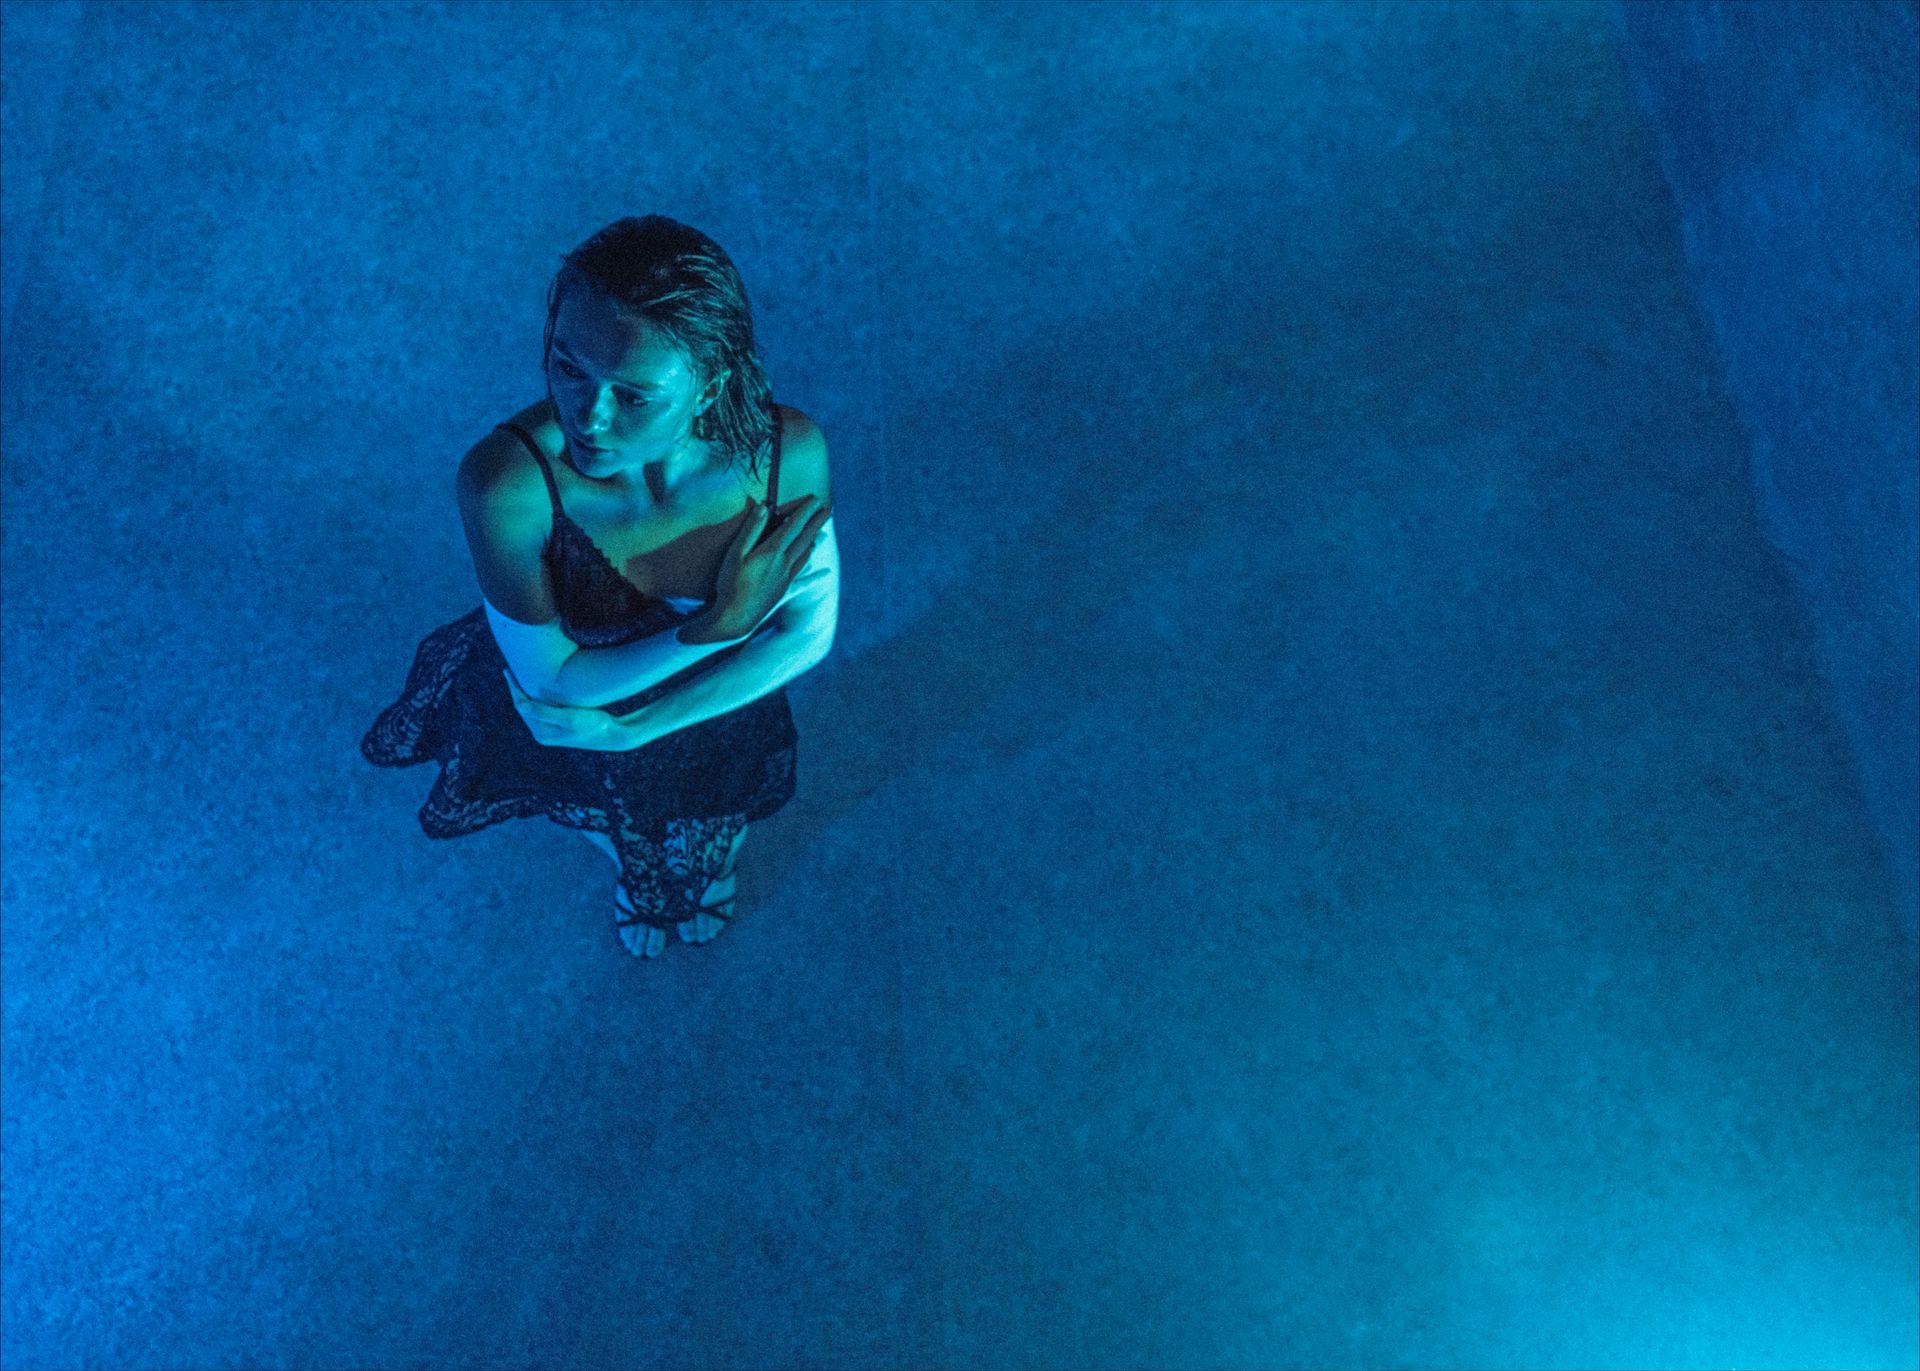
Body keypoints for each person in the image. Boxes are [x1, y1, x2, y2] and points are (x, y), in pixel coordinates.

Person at [361, 215, 838, 958]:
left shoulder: (784, 456)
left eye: (635, 394)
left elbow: (811, 630)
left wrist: (637, 724)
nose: (589, 417)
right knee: (605, 811)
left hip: (713, 702)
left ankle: (698, 871)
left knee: (717, 815)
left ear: (710, 383)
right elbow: (554, 680)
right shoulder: (506, 485)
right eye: (567, 367)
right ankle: (637, 879)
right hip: (609, 705)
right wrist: (720, 626)